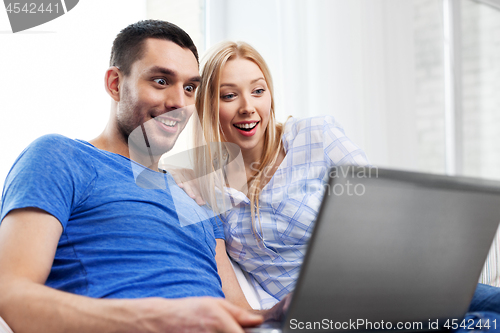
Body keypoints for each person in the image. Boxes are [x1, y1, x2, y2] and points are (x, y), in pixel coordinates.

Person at [189, 40, 500, 330]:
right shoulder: (207, 189)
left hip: (392, 285)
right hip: (325, 318)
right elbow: (239, 308)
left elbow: (384, 206)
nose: (248, 106)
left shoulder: (314, 136)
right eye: (229, 95)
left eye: (258, 91)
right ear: (209, 106)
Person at [0, 21, 267, 333]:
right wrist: (158, 319)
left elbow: (244, 317)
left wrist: (296, 312)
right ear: (115, 84)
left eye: (189, 88)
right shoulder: (60, 157)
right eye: (160, 81)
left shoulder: (196, 198)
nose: (178, 103)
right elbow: (10, 291)